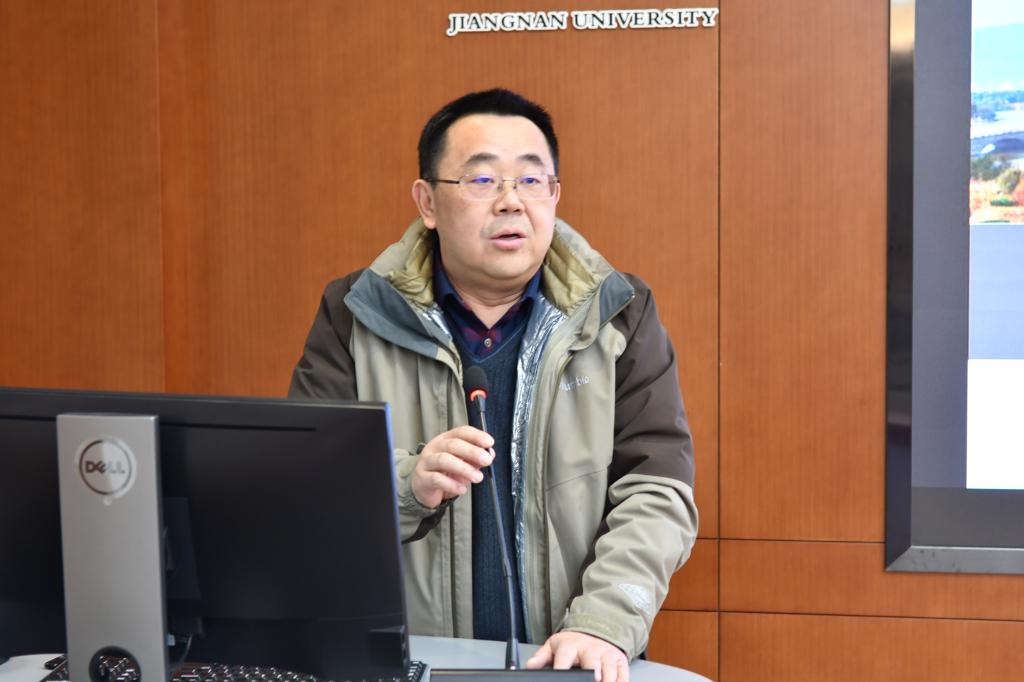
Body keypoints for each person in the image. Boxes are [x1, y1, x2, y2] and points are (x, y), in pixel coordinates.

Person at [289, 89, 697, 682]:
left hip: (564, 662)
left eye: (531, 181)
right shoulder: (355, 312)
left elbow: (657, 490)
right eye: (482, 180)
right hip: (408, 665)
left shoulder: (618, 312)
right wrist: (409, 485)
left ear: (554, 196)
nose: (511, 202)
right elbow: (310, 492)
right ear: (428, 201)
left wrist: (602, 624)